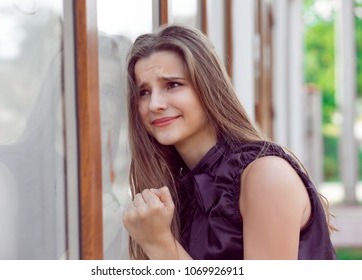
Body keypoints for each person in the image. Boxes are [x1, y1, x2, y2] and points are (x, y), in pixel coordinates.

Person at [122, 24, 337, 260]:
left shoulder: (265, 175)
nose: (155, 104)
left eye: (173, 85)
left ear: (209, 88)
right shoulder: (177, 190)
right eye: (144, 92)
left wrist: (160, 245)